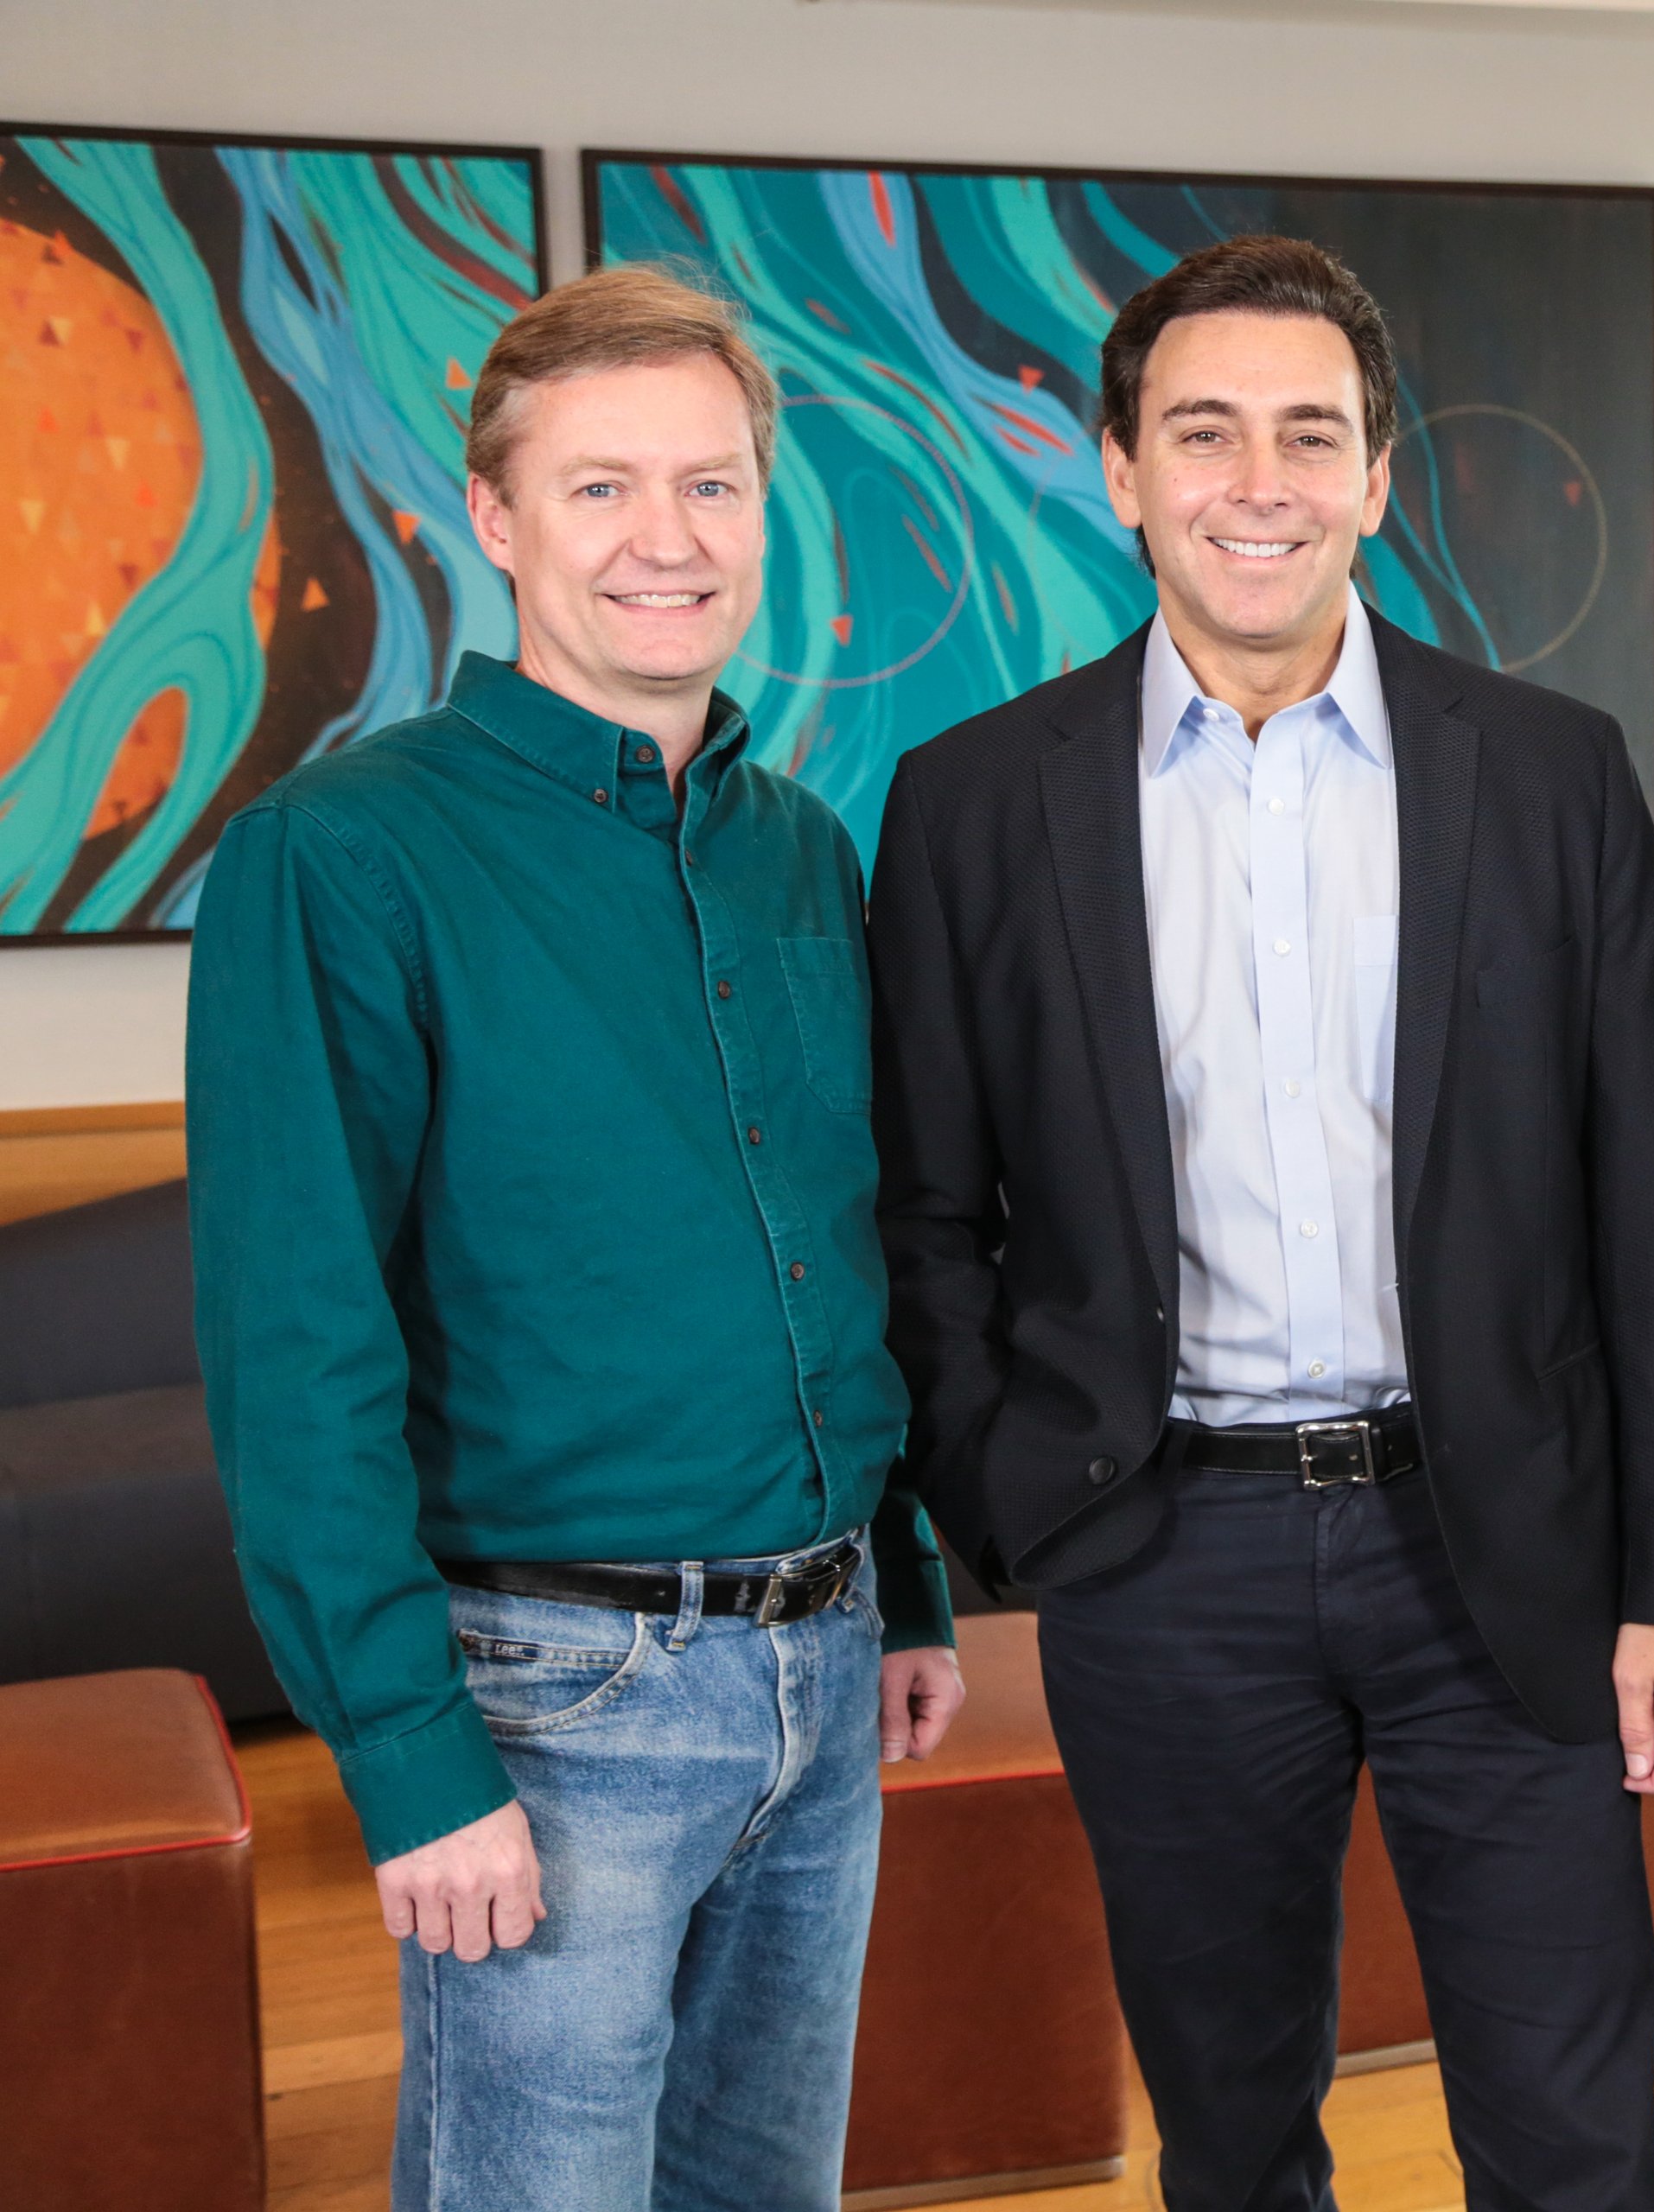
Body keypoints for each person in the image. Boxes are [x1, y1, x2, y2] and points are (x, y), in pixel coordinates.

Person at [865, 233, 1654, 2212]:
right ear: (1118, 468)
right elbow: (925, 1205)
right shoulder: (970, 801)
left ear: (1373, 474)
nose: (1255, 480)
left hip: (1504, 1544)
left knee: (1572, 2129)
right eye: (1203, 430)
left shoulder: (1548, 773)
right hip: (1162, 1554)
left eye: (1308, 434)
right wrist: (1011, 1497)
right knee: (1233, 2126)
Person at [187, 264, 964, 2211]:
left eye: (711, 487)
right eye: (603, 487)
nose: (665, 539)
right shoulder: (344, 851)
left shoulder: (798, 838)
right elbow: (298, 1342)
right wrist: (407, 1751)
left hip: (823, 1661)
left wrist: (908, 1573)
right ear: (497, 514)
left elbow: (834, 1234)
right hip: (555, 1695)